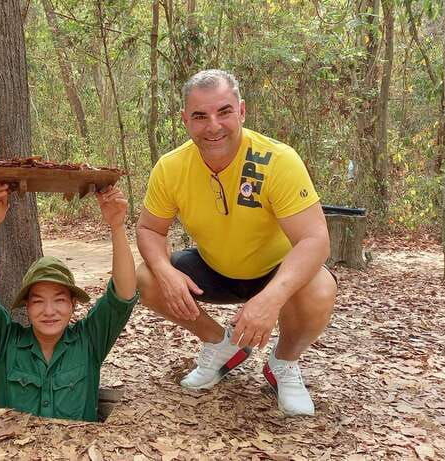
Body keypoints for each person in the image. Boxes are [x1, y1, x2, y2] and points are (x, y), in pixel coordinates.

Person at [136, 69, 337, 416]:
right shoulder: (170, 168)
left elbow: (315, 240)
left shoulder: (278, 160)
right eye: (200, 116)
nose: (213, 125)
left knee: (320, 286)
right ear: (185, 120)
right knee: (145, 278)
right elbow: (150, 229)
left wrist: (272, 298)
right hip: (214, 267)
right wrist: (165, 271)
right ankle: (221, 345)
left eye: (224, 112)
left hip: (274, 271)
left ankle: (283, 363)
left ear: (241, 111)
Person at [0, 183, 138, 422]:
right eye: (38, 301)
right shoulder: (5, 342)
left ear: (73, 305)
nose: (49, 311)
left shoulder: (90, 340)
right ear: (27, 305)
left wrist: (117, 226)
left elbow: (124, 295)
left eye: (59, 300)